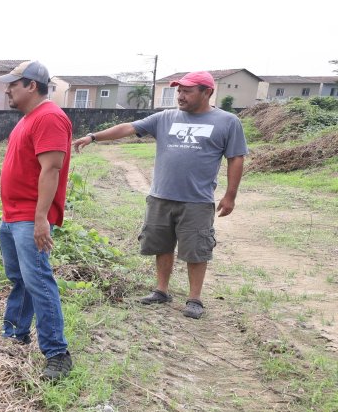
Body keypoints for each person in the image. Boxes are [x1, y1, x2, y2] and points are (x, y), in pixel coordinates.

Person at [71, 71, 247, 319]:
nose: (180, 96)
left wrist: (230, 196)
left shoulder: (227, 121)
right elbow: (128, 127)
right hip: (161, 196)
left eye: (187, 91)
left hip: (197, 200)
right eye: (179, 90)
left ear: (207, 92)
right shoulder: (166, 117)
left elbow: (236, 158)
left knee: (196, 250)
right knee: (162, 245)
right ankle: (161, 290)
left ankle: (194, 299)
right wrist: (93, 137)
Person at [0, 60, 73, 381]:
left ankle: (57, 353)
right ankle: (15, 333)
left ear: (31, 85)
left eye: (13, 84)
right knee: (21, 278)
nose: (7, 89)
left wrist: (41, 217)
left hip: (31, 217)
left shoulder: (50, 117)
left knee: (39, 281)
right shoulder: (28, 119)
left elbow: (51, 169)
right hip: (13, 216)